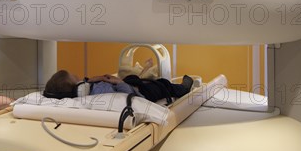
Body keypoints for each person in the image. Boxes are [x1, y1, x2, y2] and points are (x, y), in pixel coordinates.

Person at [43, 69, 194, 104]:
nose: (80, 78)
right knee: (162, 84)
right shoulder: (100, 92)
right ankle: (184, 89)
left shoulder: (83, 90)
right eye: (76, 78)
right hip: (140, 95)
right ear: (78, 87)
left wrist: (95, 79)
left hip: (130, 87)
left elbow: (84, 83)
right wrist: (119, 83)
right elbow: (125, 97)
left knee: (132, 77)